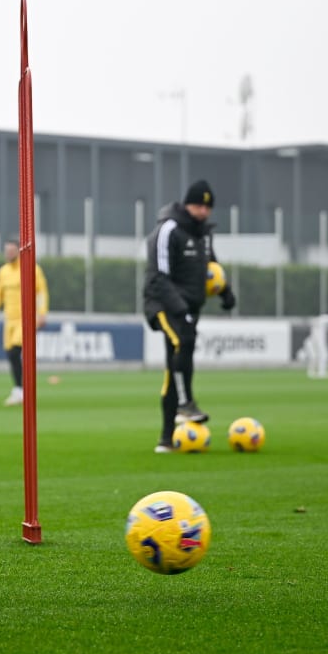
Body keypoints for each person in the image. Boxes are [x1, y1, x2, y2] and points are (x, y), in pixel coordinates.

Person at [143, 180, 235, 453]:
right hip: (161, 304)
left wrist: (225, 292)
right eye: (198, 205)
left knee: (178, 367)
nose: (203, 211)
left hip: (189, 308)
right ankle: (185, 405)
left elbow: (211, 267)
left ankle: (166, 439)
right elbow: (158, 277)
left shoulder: (205, 233)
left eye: (207, 207)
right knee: (181, 343)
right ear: (186, 204)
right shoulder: (167, 229)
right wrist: (180, 308)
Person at [0, 238, 49, 406]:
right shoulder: (3, 272)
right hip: (9, 319)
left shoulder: (32, 269)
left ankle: (23, 390)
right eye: (7, 251)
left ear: (19, 251)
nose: (8, 253)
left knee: (14, 352)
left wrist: (42, 314)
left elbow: (41, 293)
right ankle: (19, 390)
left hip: (26, 319)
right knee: (11, 356)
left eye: (12, 250)